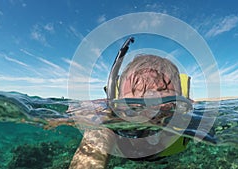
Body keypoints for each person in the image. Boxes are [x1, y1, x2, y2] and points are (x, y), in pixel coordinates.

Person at [69, 38, 195, 169]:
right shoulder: (107, 120)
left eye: (163, 108)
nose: (149, 116)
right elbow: (93, 144)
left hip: (164, 156)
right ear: (118, 102)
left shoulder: (189, 120)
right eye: (133, 107)